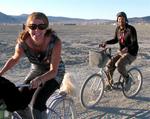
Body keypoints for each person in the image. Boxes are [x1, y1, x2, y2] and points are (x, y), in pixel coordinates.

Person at [0, 12, 65, 119]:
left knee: (37, 104)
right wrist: (1, 73)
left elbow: (53, 71)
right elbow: (14, 59)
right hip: (37, 69)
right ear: (27, 28)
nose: (37, 30)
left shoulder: (55, 42)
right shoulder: (22, 43)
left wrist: (40, 80)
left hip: (55, 72)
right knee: (18, 101)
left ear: (46, 28)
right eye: (33, 26)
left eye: (41, 26)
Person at [100, 11, 139, 91]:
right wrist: (106, 43)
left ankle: (128, 79)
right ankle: (110, 83)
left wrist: (127, 49)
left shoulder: (131, 29)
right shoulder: (118, 29)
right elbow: (115, 40)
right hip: (122, 52)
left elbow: (134, 43)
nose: (120, 21)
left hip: (131, 53)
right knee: (109, 65)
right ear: (117, 20)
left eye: (122, 19)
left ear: (125, 20)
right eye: (119, 19)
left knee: (119, 64)